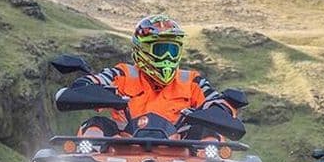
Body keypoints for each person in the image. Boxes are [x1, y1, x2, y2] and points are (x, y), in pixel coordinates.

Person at [67, 14, 231, 137]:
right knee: (95, 126)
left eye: (172, 50)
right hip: (122, 147)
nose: (167, 56)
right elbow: (99, 79)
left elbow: (215, 99)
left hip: (181, 150)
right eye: (160, 50)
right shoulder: (123, 74)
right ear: (143, 49)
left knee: (210, 133)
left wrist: (220, 107)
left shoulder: (191, 81)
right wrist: (86, 86)